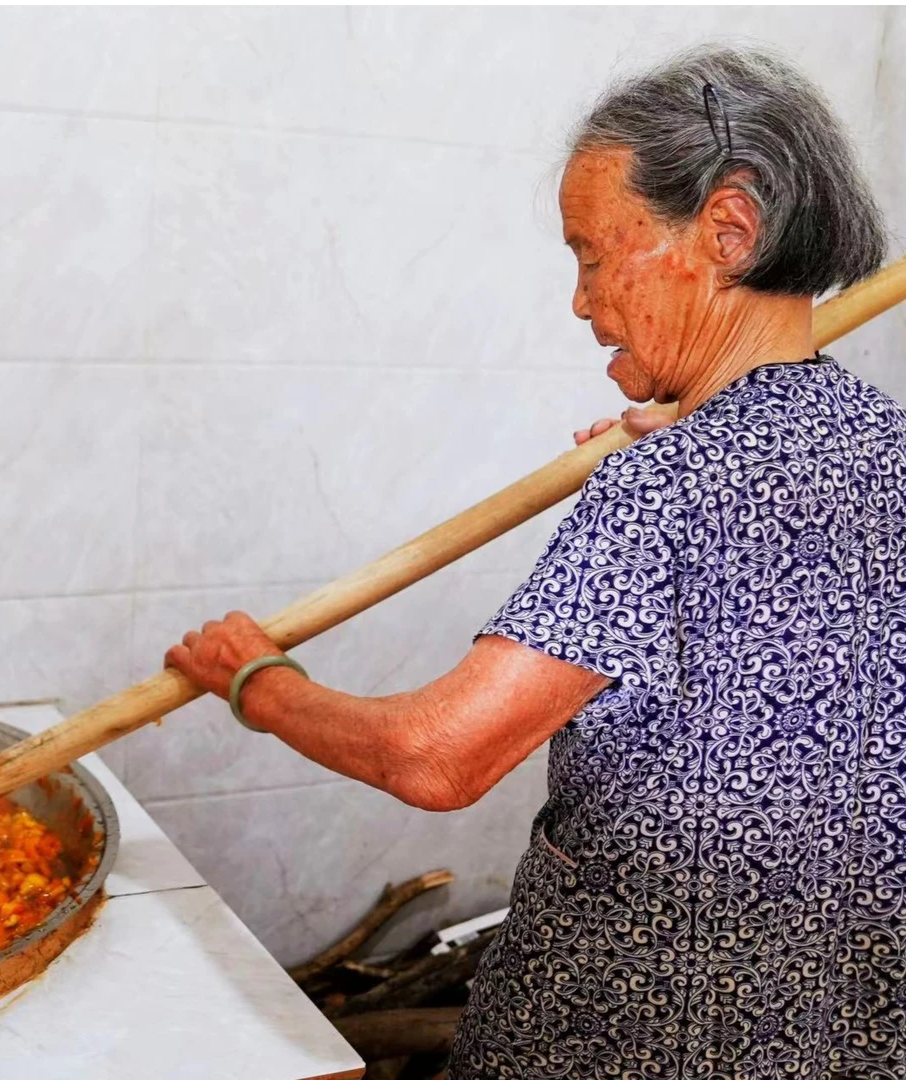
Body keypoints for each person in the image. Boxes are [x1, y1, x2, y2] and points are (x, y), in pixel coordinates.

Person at [164, 45, 900, 1079]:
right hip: (846, 1033)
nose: (580, 298)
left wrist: (254, 680)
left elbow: (438, 755)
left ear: (728, 230)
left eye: (594, 255)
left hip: (632, 1035)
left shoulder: (668, 483)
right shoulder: (882, 446)